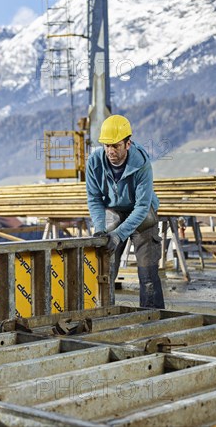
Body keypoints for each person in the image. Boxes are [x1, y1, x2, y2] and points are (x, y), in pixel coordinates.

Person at [86, 114, 165, 309]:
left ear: (128, 144)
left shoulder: (141, 163)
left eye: (115, 146)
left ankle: (152, 317)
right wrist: (100, 228)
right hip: (114, 210)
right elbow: (94, 199)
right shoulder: (95, 162)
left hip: (142, 213)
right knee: (105, 267)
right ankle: (101, 312)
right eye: (106, 145)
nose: (110, 151)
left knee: (147, 274)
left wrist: (119, 234)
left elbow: (142, 207)